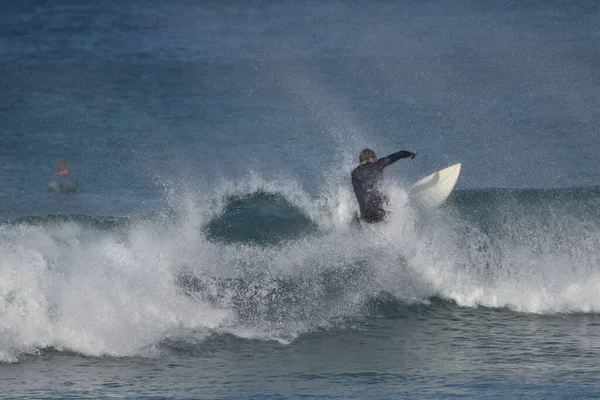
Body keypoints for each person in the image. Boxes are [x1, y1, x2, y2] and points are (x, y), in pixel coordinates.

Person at [351, 148, 417, 223]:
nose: (376, 159)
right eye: (375, 157)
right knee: (389, 197)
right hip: (379, 213)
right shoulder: (378, 164)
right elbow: (400, 154)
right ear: (371, 158)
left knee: (357, 209)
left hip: (365, 216)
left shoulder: (354, 173)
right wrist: (412, 154)